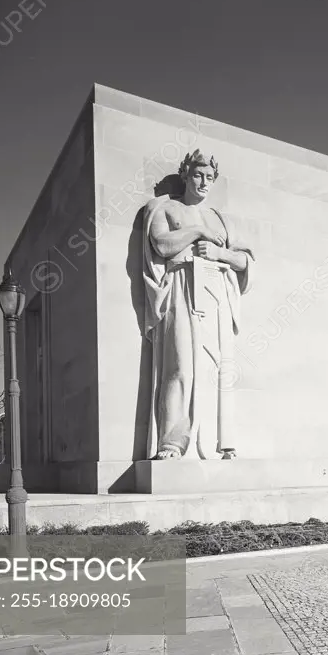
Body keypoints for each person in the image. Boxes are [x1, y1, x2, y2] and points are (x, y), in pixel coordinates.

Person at [143, 150, 255, 460]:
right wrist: (198, 232)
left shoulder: (221, 218)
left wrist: (221, 255)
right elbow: (161, 244)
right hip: (181, 286)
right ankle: (172, 443)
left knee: (220, 368)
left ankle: (224, 444)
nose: (204, 182)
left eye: (209, 177)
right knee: (180, 365)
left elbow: (245, 260)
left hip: (217, 288)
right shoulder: (165, 208)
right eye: (198, 175)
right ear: (186, 176)